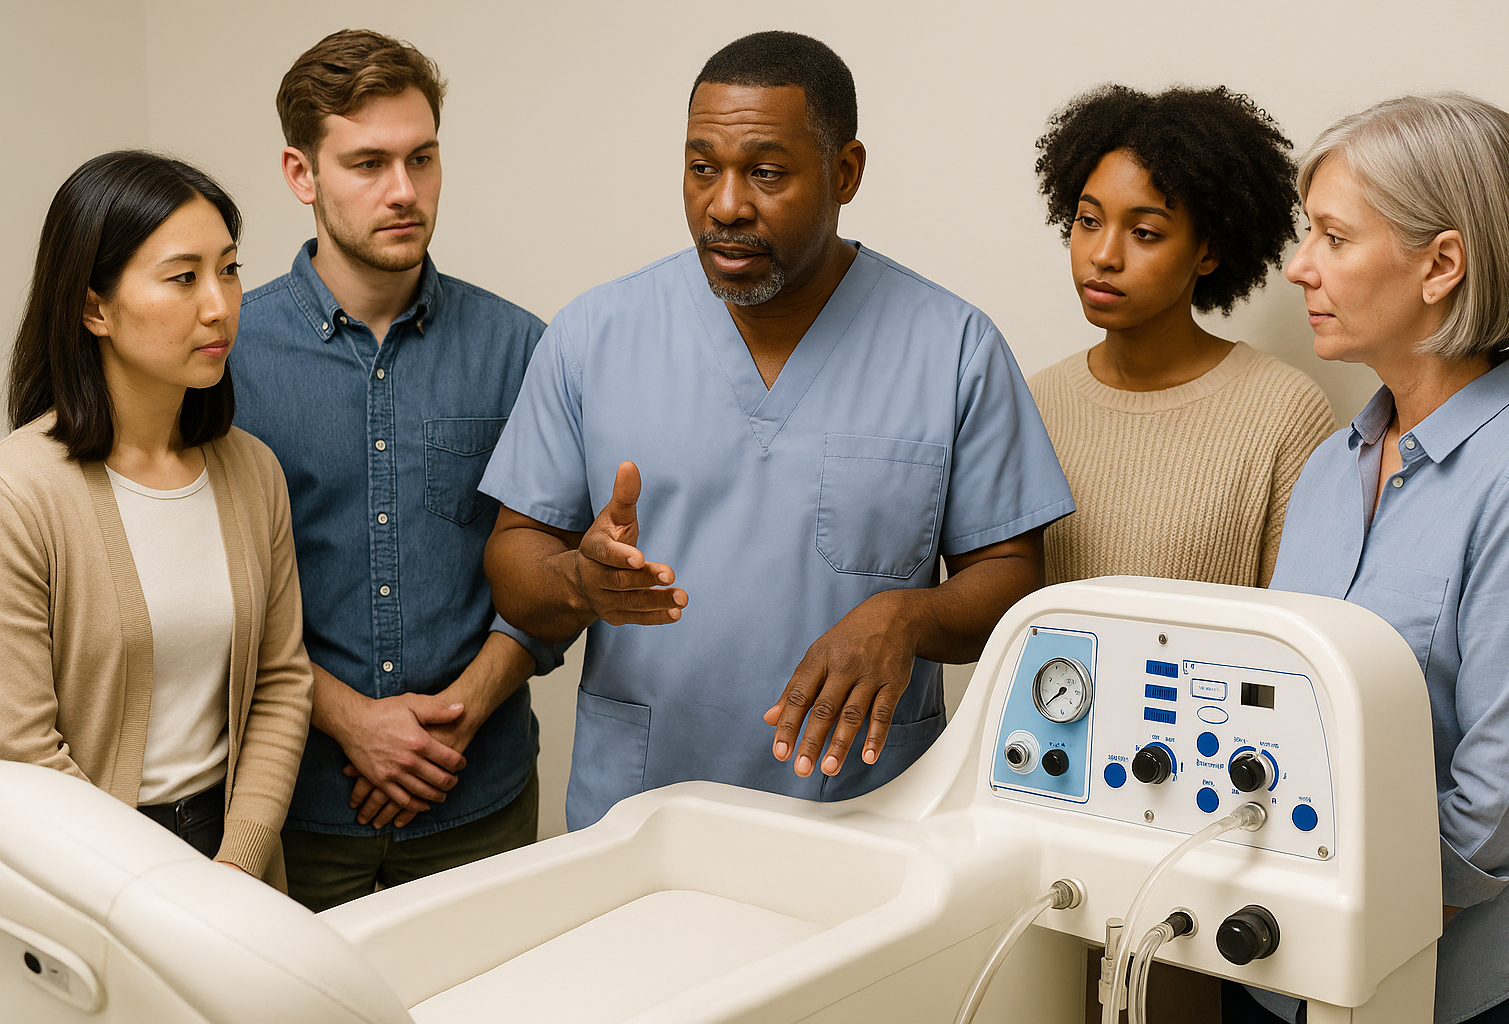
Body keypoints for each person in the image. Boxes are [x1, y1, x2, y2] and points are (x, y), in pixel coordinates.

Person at [481, 30, 1073, 831]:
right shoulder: (593, 335)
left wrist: (906, 617)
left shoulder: (955, 348)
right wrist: (579, 583)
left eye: (765, 172)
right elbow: (515, 558)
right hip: (641, 815)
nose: (725, 205)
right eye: (702, 168)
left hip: (867, 815)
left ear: (845, 172)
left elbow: (1011, 575)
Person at [230, 29, 547, 912]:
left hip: (476, 801)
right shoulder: (226, 359)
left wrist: (456, 718)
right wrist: (352, 721)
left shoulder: (520, 348)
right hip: (291, 810)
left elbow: (554, 567)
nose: (404, 191)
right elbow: (211, 589)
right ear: (301, 174)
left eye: (422, 158)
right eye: (367, 163)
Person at [1238, 94, 1509, 1024]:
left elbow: (1505, 788)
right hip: (1279, 963)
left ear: (1442, 264)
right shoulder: (1333, 466)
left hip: (1441, 984)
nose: (1300, 267)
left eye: (1333, 237)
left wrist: (1370, 932)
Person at [0, 151, 312, 888]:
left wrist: (236, 865)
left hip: (233, 851)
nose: (219, 306)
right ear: (94, 309)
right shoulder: (21, 491)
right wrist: (157, 889)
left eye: (229, 270)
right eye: (183, 277)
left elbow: (280, 682)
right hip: (83, 872)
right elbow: (23, 746)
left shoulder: (253, 471)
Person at [1030, 85, 1335, 588]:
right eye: (1089, 221)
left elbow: (1296, 622)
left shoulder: (1283, 412)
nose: (1103, 255)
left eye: (1144, 232)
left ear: (1207, 252)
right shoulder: (1034, 403)